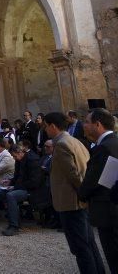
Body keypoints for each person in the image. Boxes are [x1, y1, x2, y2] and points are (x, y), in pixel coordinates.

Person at [45, 111, 105, 274]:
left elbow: (74, 175)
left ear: (52, 126)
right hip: (78, 201)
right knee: (89, 244)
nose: (45, 130)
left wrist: (83, 193)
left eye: (46, 126)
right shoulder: (75, 141)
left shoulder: (62, 144)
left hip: (71, 203)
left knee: (80, 248)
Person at [79, 108, 118, 274]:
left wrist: (81, 194)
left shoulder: (103, 148)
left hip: (107, 209)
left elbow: (94, 181)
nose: (84, 125)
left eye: (87, 122)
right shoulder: (114, 142)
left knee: (113, 254)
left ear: (98, 124)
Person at [0, 143, 42, 236]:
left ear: (20, 152)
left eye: (14, 156)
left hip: (31, 190)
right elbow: (17, 177)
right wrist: (10, 182)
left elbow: (34, 182)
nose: (14, 158)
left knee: (11, 196)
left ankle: (14, 226)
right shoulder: (19, 160)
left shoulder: (32, 160)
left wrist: (15, 187)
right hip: (19, 187)